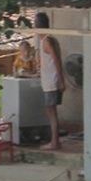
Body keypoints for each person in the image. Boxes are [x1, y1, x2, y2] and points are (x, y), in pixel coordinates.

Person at [34, 12, 66, 150]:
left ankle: (55, 141)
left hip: (52, 82)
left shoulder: (47, 41)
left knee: (51, 112)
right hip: (50, 81)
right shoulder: (47, 40)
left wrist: (61, 79)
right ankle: (54, 140)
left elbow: (56, 61)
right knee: (50, 112)